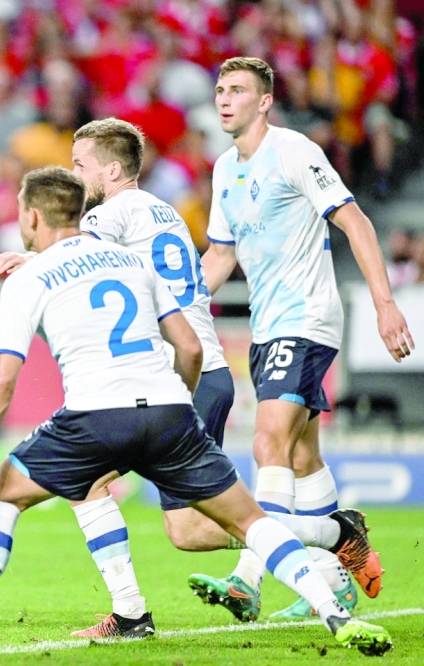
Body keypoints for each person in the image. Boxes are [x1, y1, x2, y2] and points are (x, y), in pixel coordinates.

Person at [0, 167, 390, 655]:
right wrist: (175, 410)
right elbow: (188, 348)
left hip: (93, 417)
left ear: (33, 215)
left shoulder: (30, 275)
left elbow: (2, 377)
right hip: (169, 408)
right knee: (250, 521)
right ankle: (336, 615)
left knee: (2, 496)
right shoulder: (133, 262)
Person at [0, 118, 235, 637]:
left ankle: (322, 533)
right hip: (187, 372)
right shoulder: (160, 210)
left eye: (81, 166)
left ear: (115, 169)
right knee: (93, 484)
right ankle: (129, 613)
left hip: (184, 376)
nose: (75, 177)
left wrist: (30, 261)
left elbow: (74, 250)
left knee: (190, 529)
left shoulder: (117, 212)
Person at [190, 57, 413, 622]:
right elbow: (221, 253)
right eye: (219, 89)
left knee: (268, 441)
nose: (224, 99)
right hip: (268, 325)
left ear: (264, 101)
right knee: (302, 454)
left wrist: (386, 305)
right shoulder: (223, 169)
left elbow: (355, 220)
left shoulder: (293, 151)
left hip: (307, 317)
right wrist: (178, 304)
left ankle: (248, 580)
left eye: (237, 90)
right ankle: (339, 562)